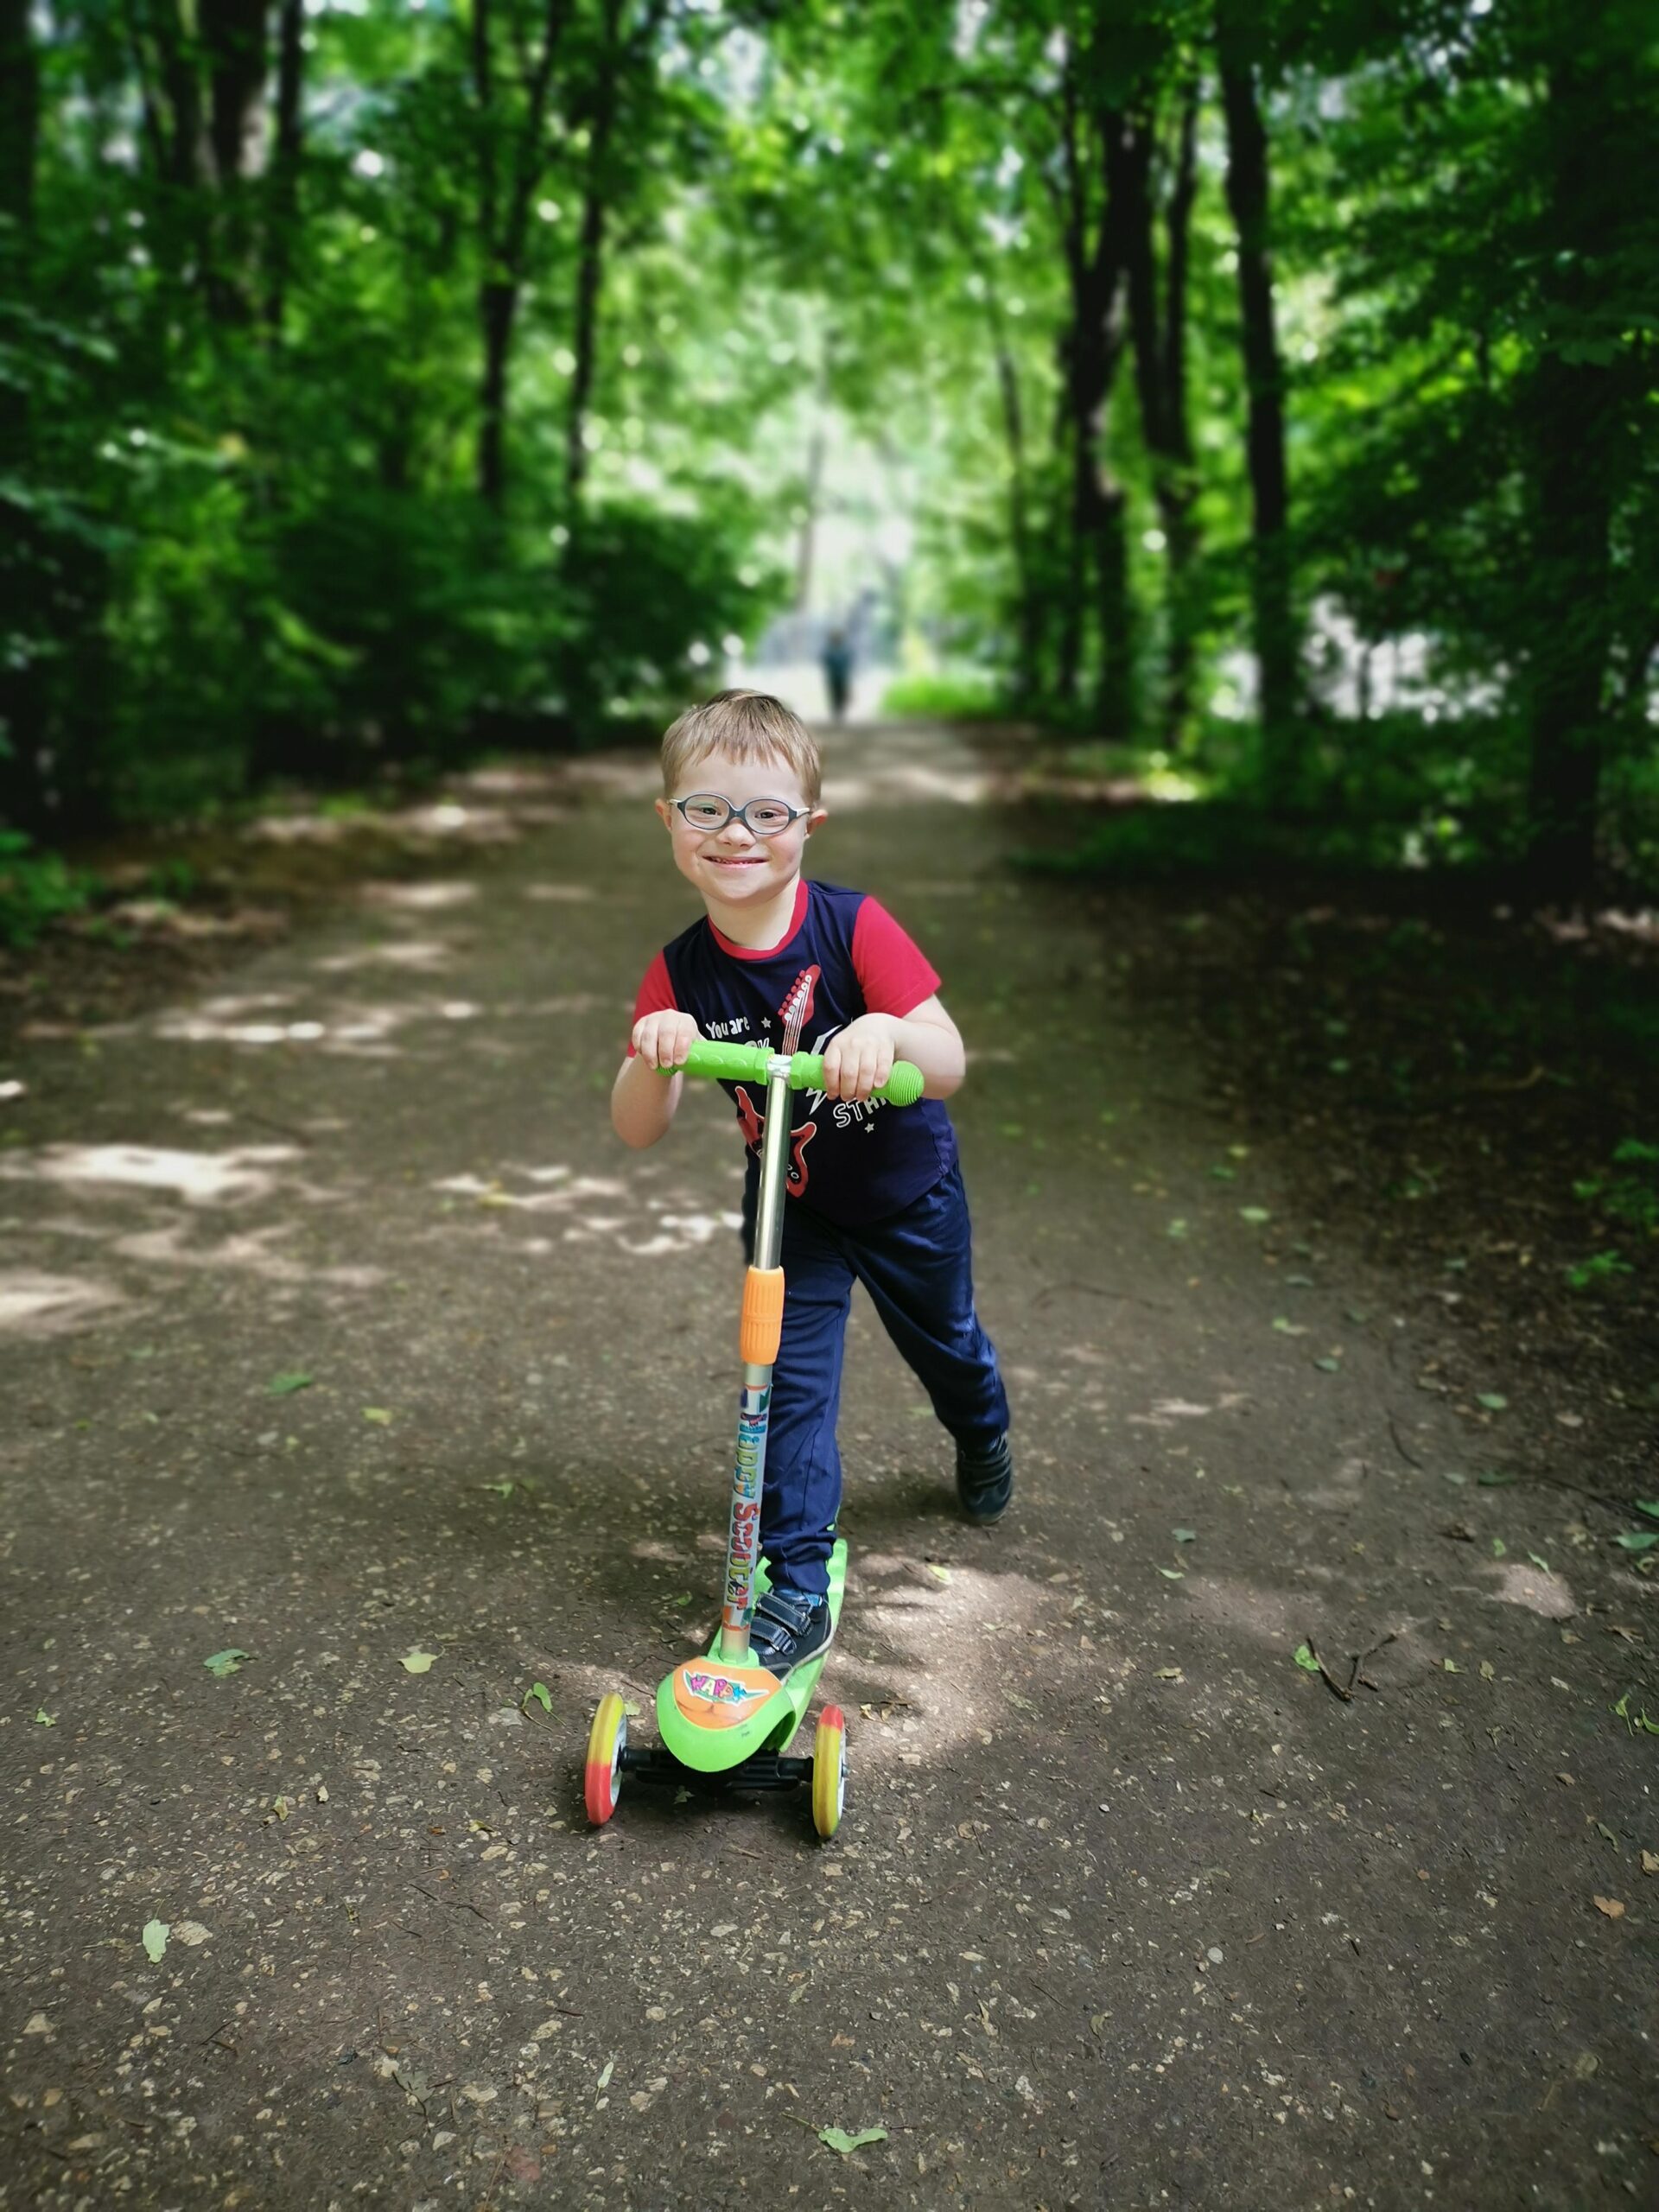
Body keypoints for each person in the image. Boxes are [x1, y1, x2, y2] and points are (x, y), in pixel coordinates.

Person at [611, 689, 1013, 1678]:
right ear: (670, 822)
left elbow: (948, 1060)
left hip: (908, 1194)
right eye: (706, 808)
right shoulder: (681, 974)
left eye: (766, 812)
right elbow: (636, 1130)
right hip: (793, 1213)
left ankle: (984, 1428)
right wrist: (655, 1055)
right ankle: (791, 1578)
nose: (735, 833)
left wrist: (885, 1028)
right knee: (783, 1388)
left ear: (807, 825)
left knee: (946, 1343)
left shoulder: (852, 926)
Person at [821, 628, 853, 722]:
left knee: (841, 695)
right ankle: (837, 714)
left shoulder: (843, 651)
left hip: (841, 678)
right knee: (835, 696)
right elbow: (826, 662)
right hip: (834, 678)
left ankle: (840, 713)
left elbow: (847, 664)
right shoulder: (830, 651)